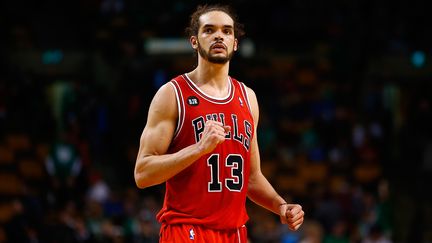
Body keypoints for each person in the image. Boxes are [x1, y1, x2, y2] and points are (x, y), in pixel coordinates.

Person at [134, 4, 304, 242]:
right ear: (194, 41)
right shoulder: (172, 94)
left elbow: (252, 177)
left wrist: (280, 206)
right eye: (209, 30)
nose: (218, 36)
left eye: (226, 31)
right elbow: (143, 173)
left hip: (234, 233)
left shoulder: (248, 98)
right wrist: (198, 149)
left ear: (235, 43)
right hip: (186, 229)